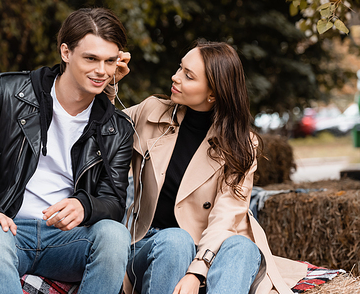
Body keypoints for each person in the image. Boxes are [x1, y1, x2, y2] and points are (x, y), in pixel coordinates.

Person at [0, 8, 135, 294]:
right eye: (91, 58)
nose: (101, 71)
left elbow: (114, 200)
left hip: (68, 241)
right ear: (66, 53)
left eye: (110, 61)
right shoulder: (9, 91)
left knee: (115, 234)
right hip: (8, 231)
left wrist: (85, 205)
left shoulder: (116, 127)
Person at [108, 41, 307, 294]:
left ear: (212, 93)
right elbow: (102, 127)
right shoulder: (151, 112)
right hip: (151, 245)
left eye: (188, 76)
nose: (175, 77)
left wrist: (196, 271)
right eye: (180, 68)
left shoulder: (241, 143)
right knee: (176, 239)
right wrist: (108, 83)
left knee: (244, 246)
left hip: (208, 249)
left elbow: (226, 216)